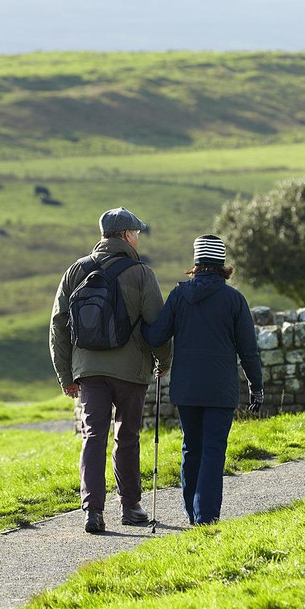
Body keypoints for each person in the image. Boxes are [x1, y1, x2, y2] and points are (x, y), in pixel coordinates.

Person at [50, 207, 172, 534]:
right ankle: (131, 507)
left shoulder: (75, 271)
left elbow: (58, 326)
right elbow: (156, 325)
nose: (138, 238)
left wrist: (67, 375)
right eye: (137, 233)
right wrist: (164, 360)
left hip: (88, 371)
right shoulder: (142, 273)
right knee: (127, 436)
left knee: (93, 437)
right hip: (130, 371)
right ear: (127, 235)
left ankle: (93, 512)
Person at [141, 234, 263, 526]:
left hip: (187, 388)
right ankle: (206, 516)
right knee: (212, 450)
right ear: (222, 264)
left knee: (191, 447)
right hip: (221, 389)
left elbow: (156, 336)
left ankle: (191, 510)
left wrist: (137, 321)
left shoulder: (179, 295)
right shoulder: (234, 299)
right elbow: (248, 349)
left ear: (196, 263)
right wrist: (256, 386)